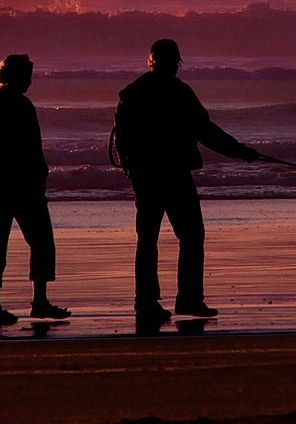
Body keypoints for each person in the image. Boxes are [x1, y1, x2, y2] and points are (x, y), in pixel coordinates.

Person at [111, 38, 261, 330]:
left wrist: (129, 166)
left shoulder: (132, 93)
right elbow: (205, 131)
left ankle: (147, 302)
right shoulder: (179, 92)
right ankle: (188, 299)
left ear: (150, 62)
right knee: (191, 236)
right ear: (174, 63)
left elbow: (123, 138)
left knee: (148, 240)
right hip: (175, 174)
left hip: (146, 177)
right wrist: (240, 151)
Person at [0, 53, 67, 327]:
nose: (30, 81)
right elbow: (30, 147)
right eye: (27, 76)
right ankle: (38, 301)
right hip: (21, 184)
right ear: (16, 76)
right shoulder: (20, 104)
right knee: (41, 241)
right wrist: (39, 175)